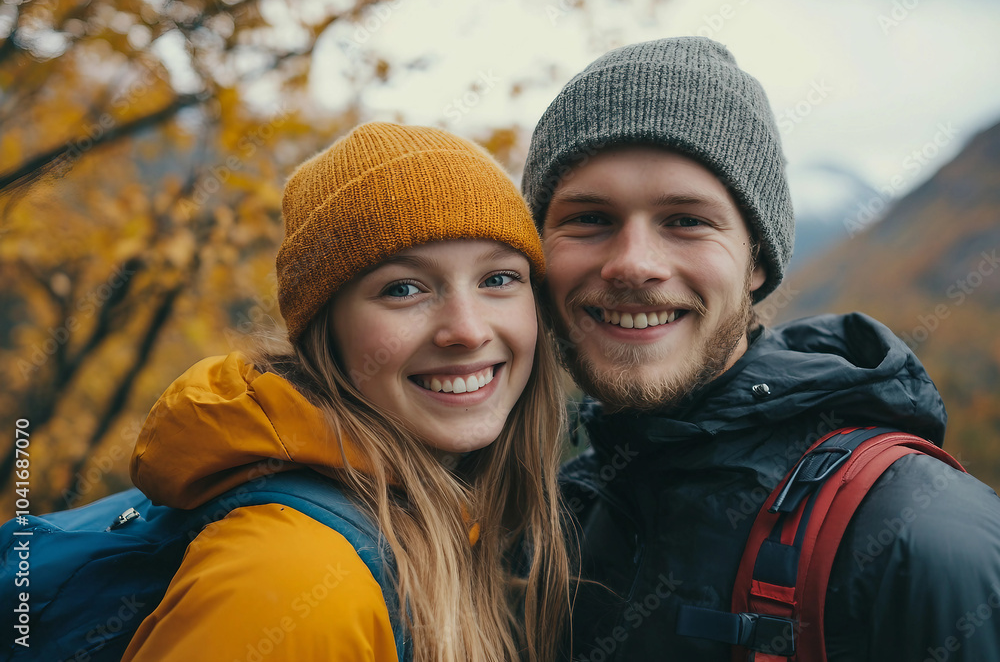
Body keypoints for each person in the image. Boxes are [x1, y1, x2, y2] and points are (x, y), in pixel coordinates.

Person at [521, 36, 1000, 661]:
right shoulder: (551, 530)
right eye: (588, 218)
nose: (633, 264)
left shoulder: (919, 537)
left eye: (686, 220)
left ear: (756, 264)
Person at [121, 122, 571, 662]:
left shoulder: (451, 525)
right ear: (324, 332)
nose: (469, 330)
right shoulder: (294, 581)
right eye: (403, 289)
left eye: (498, 279)